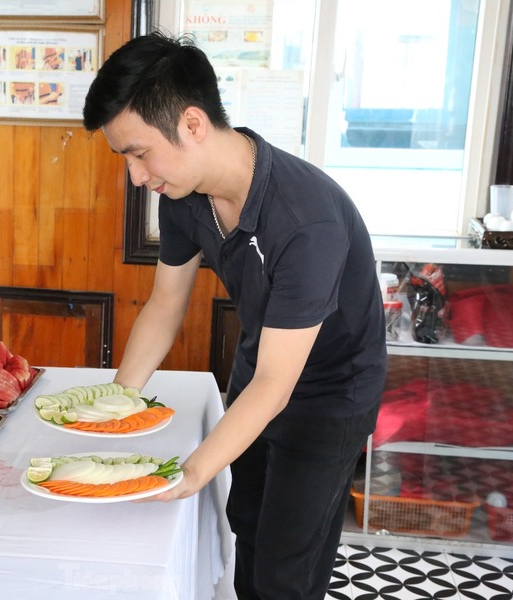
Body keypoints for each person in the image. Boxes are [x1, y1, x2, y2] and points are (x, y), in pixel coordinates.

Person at [83, 32, 387, 600]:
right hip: (260, 368)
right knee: (246, 523)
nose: (137, 177)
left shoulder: (305, 219)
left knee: (285, 567)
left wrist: (189, 473)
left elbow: (280, 383)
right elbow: (165, 303)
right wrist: (113, 409)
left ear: (193, 124)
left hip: (331, 394)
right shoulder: (183, 195)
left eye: (140, 153)